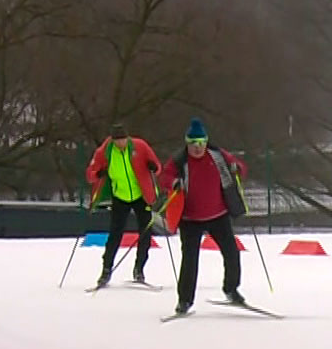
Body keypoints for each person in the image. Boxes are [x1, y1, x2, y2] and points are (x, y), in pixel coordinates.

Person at [157, 117, 248, 315]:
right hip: (190, 219)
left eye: (201, 143)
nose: (197, 148)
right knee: (190, 260)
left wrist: (237, 169)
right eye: (193, 144)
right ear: (187, 143)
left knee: (232, 252)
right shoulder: (180, 160)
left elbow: (239, 166)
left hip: (218, 215)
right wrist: (173, 183)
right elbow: (164, 177)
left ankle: (231, 289)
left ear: (206, 142)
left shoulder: (217, 155)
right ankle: (184, 301)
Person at [85, 123, 163, 287]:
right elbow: (90, 174)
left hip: (141, 195)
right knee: (115, 234)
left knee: (145, 233)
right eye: (118, 141)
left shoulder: (140, 146)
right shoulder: (105, 152)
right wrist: (98, 173)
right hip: (120, 196)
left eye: (123, 140)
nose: (121, 144)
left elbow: (157, 167)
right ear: (112, 141)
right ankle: (106, 269)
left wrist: (153, 167)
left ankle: (139, 269)